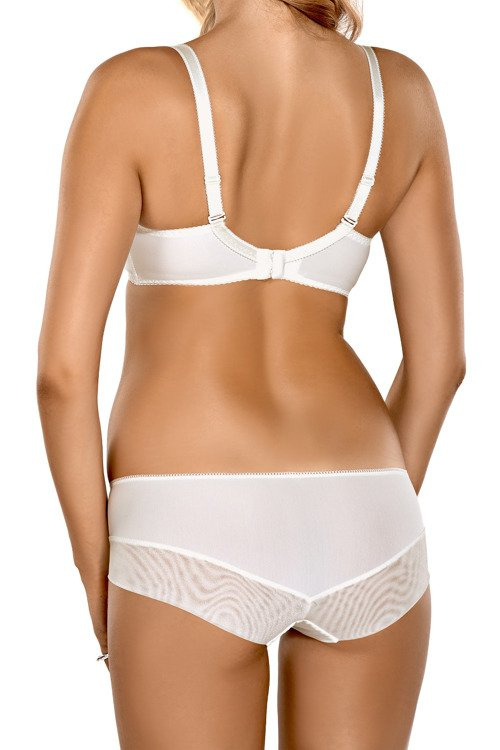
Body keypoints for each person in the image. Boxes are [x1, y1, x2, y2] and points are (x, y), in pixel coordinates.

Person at [37, 0, 465, 747]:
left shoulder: (133, 89)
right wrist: (362, 520)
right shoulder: (403, 93)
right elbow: (441, 364)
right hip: (369, 514)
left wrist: (99, 571)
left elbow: (63, 375)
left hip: (187, 526)